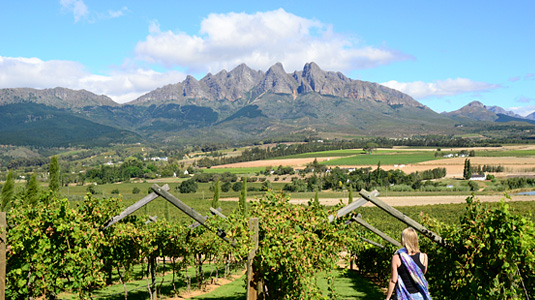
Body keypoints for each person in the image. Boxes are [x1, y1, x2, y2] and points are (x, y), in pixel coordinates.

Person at [385, 227, 432, 300]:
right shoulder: (424, 257)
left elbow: (393, 280)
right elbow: (421, 274)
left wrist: (387, 298)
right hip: (420, 296)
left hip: (403, 296)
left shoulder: (397, 257)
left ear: (403, 240)